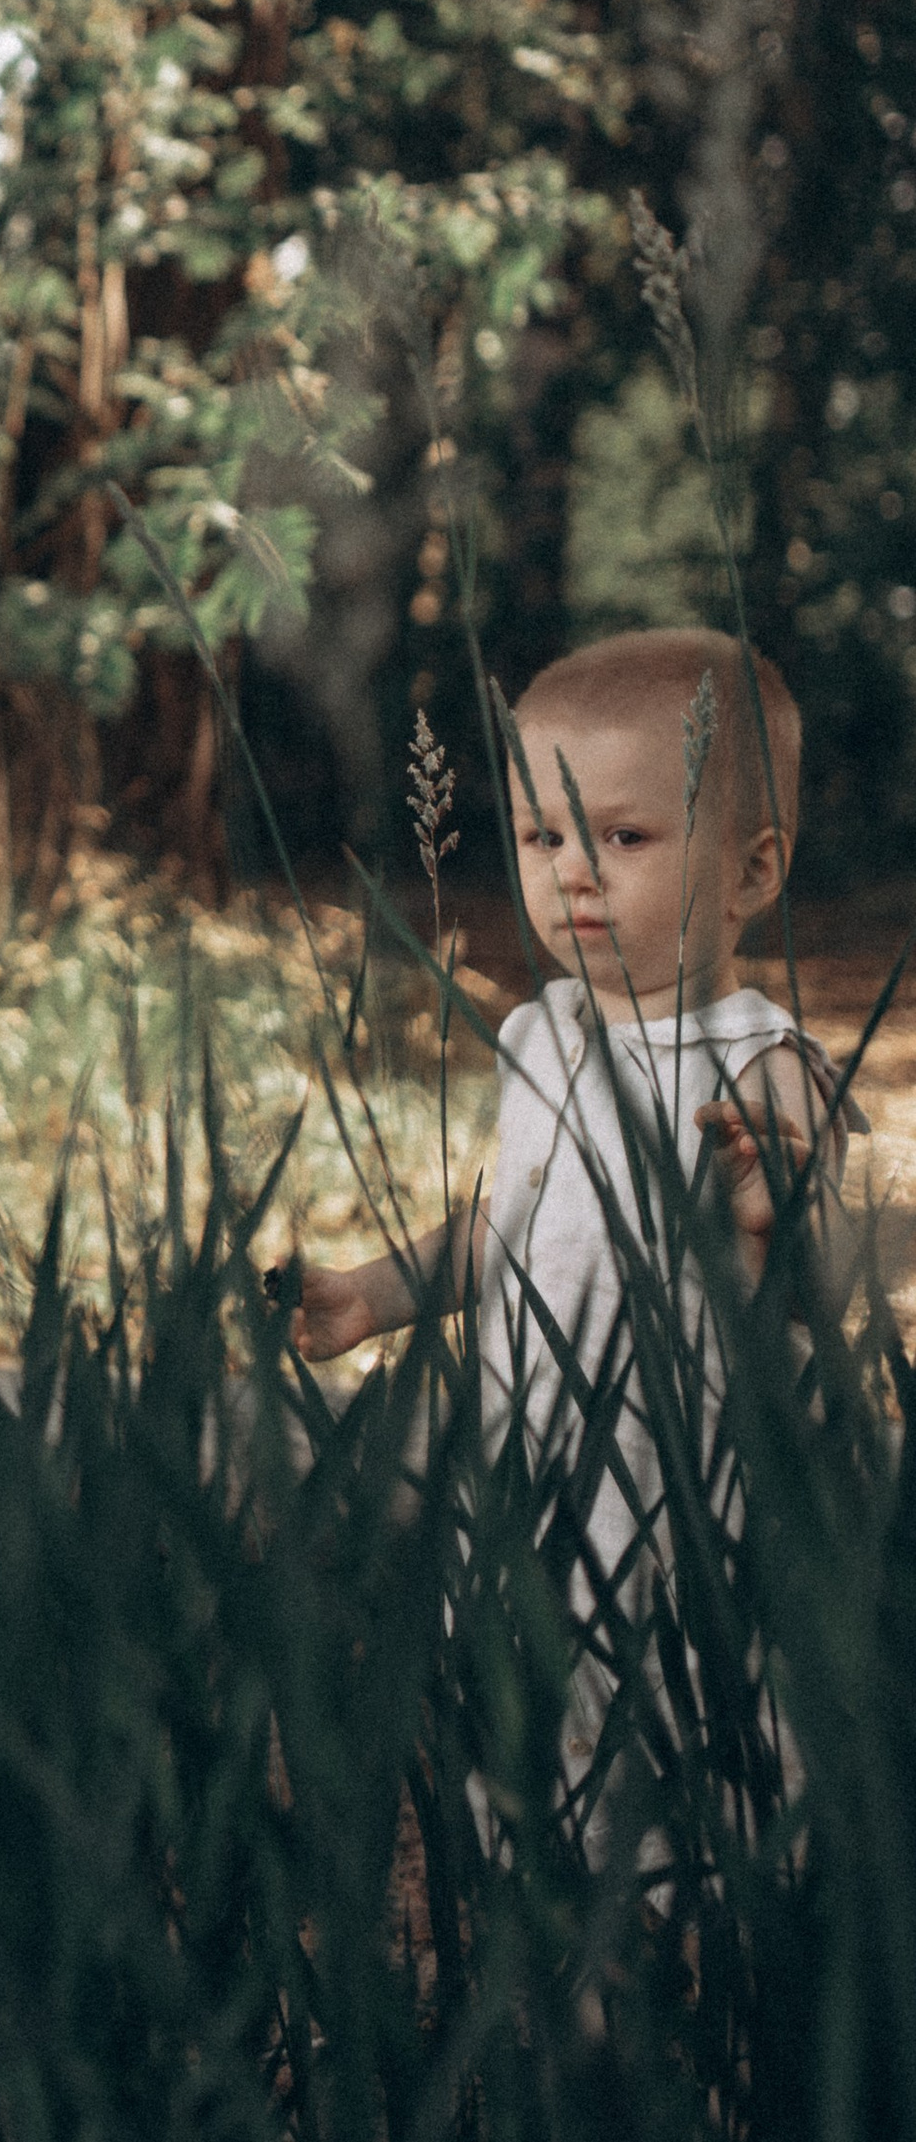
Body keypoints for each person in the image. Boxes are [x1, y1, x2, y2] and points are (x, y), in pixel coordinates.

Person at [290, 630, 853, 1828]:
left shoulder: (763, 1063)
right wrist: (382, 1289)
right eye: (544, 837)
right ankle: (560, 1952)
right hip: (535, 1471)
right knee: (536, 1726)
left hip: (691, 1488)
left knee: (711, 1736)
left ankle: (722, 1954)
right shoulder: (541, 1034)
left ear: (753, 873)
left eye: (624, 837)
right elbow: (521, 1218)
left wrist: (777, 1208)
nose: (572, 875)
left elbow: (818, 1295)